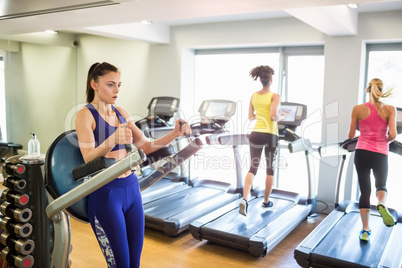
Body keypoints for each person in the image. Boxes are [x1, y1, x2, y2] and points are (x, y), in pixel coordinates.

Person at [75, 62, 190, 267]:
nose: (117, 90)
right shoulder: (85, 114)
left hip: (131, 188)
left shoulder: (121, 112)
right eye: (110, 85)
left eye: (119, 85)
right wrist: (113, 139)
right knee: (121, 264)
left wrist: (175, 133)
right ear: (94, 84)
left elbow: (145, 146)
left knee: (134, 263)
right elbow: (88, 158)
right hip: (105, 193)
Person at [348, 78, 396, 242]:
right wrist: (385, 140)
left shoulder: (358, 109)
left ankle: (365, 230)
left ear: (367, 90)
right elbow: (393, 135)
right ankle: (381, 202)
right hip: (381, 153)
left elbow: (350, 135)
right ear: (381, 91)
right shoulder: (390, 109)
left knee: (365, 191)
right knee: (381, 186)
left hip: (362, 152)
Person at [239, 65, 280, 216]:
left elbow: (251, 117)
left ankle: (244, 199)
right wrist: (280, 116)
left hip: (256, 133)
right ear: (271, 79)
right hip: (270, 134)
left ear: (260, 79)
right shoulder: (275, 96)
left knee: (252, 167)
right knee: (270, 169)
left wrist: (260, 116)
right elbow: (273, 116)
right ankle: (266, 202)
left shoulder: (254, 96)